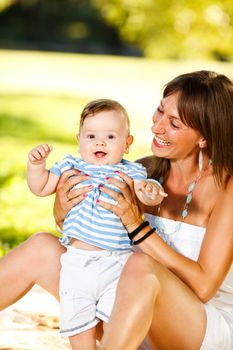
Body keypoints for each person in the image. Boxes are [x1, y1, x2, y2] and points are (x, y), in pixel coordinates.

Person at [0, 70, 232, 350]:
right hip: (128, 318)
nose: (157, 127)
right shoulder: (142, 171)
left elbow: (204, 287)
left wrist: (138, 227)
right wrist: (63, 206)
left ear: (204, 138)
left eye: (174, 123)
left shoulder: (227, 187)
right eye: (160, 111)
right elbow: (84, 228)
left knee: (141, 265)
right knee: (41, 248)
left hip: (198, 328)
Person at [26, 98, 166, 349]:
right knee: (79, 326)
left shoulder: (131, 172)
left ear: (127, 144)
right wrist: (36, 166)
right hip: (76, 263)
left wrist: (151, 190)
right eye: (91, 136)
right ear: (79, 139)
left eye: (111, 137)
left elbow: (144, 194)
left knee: (116, 322)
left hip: (117, 264)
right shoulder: (70, 165)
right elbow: (41, 187)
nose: (100, 142)